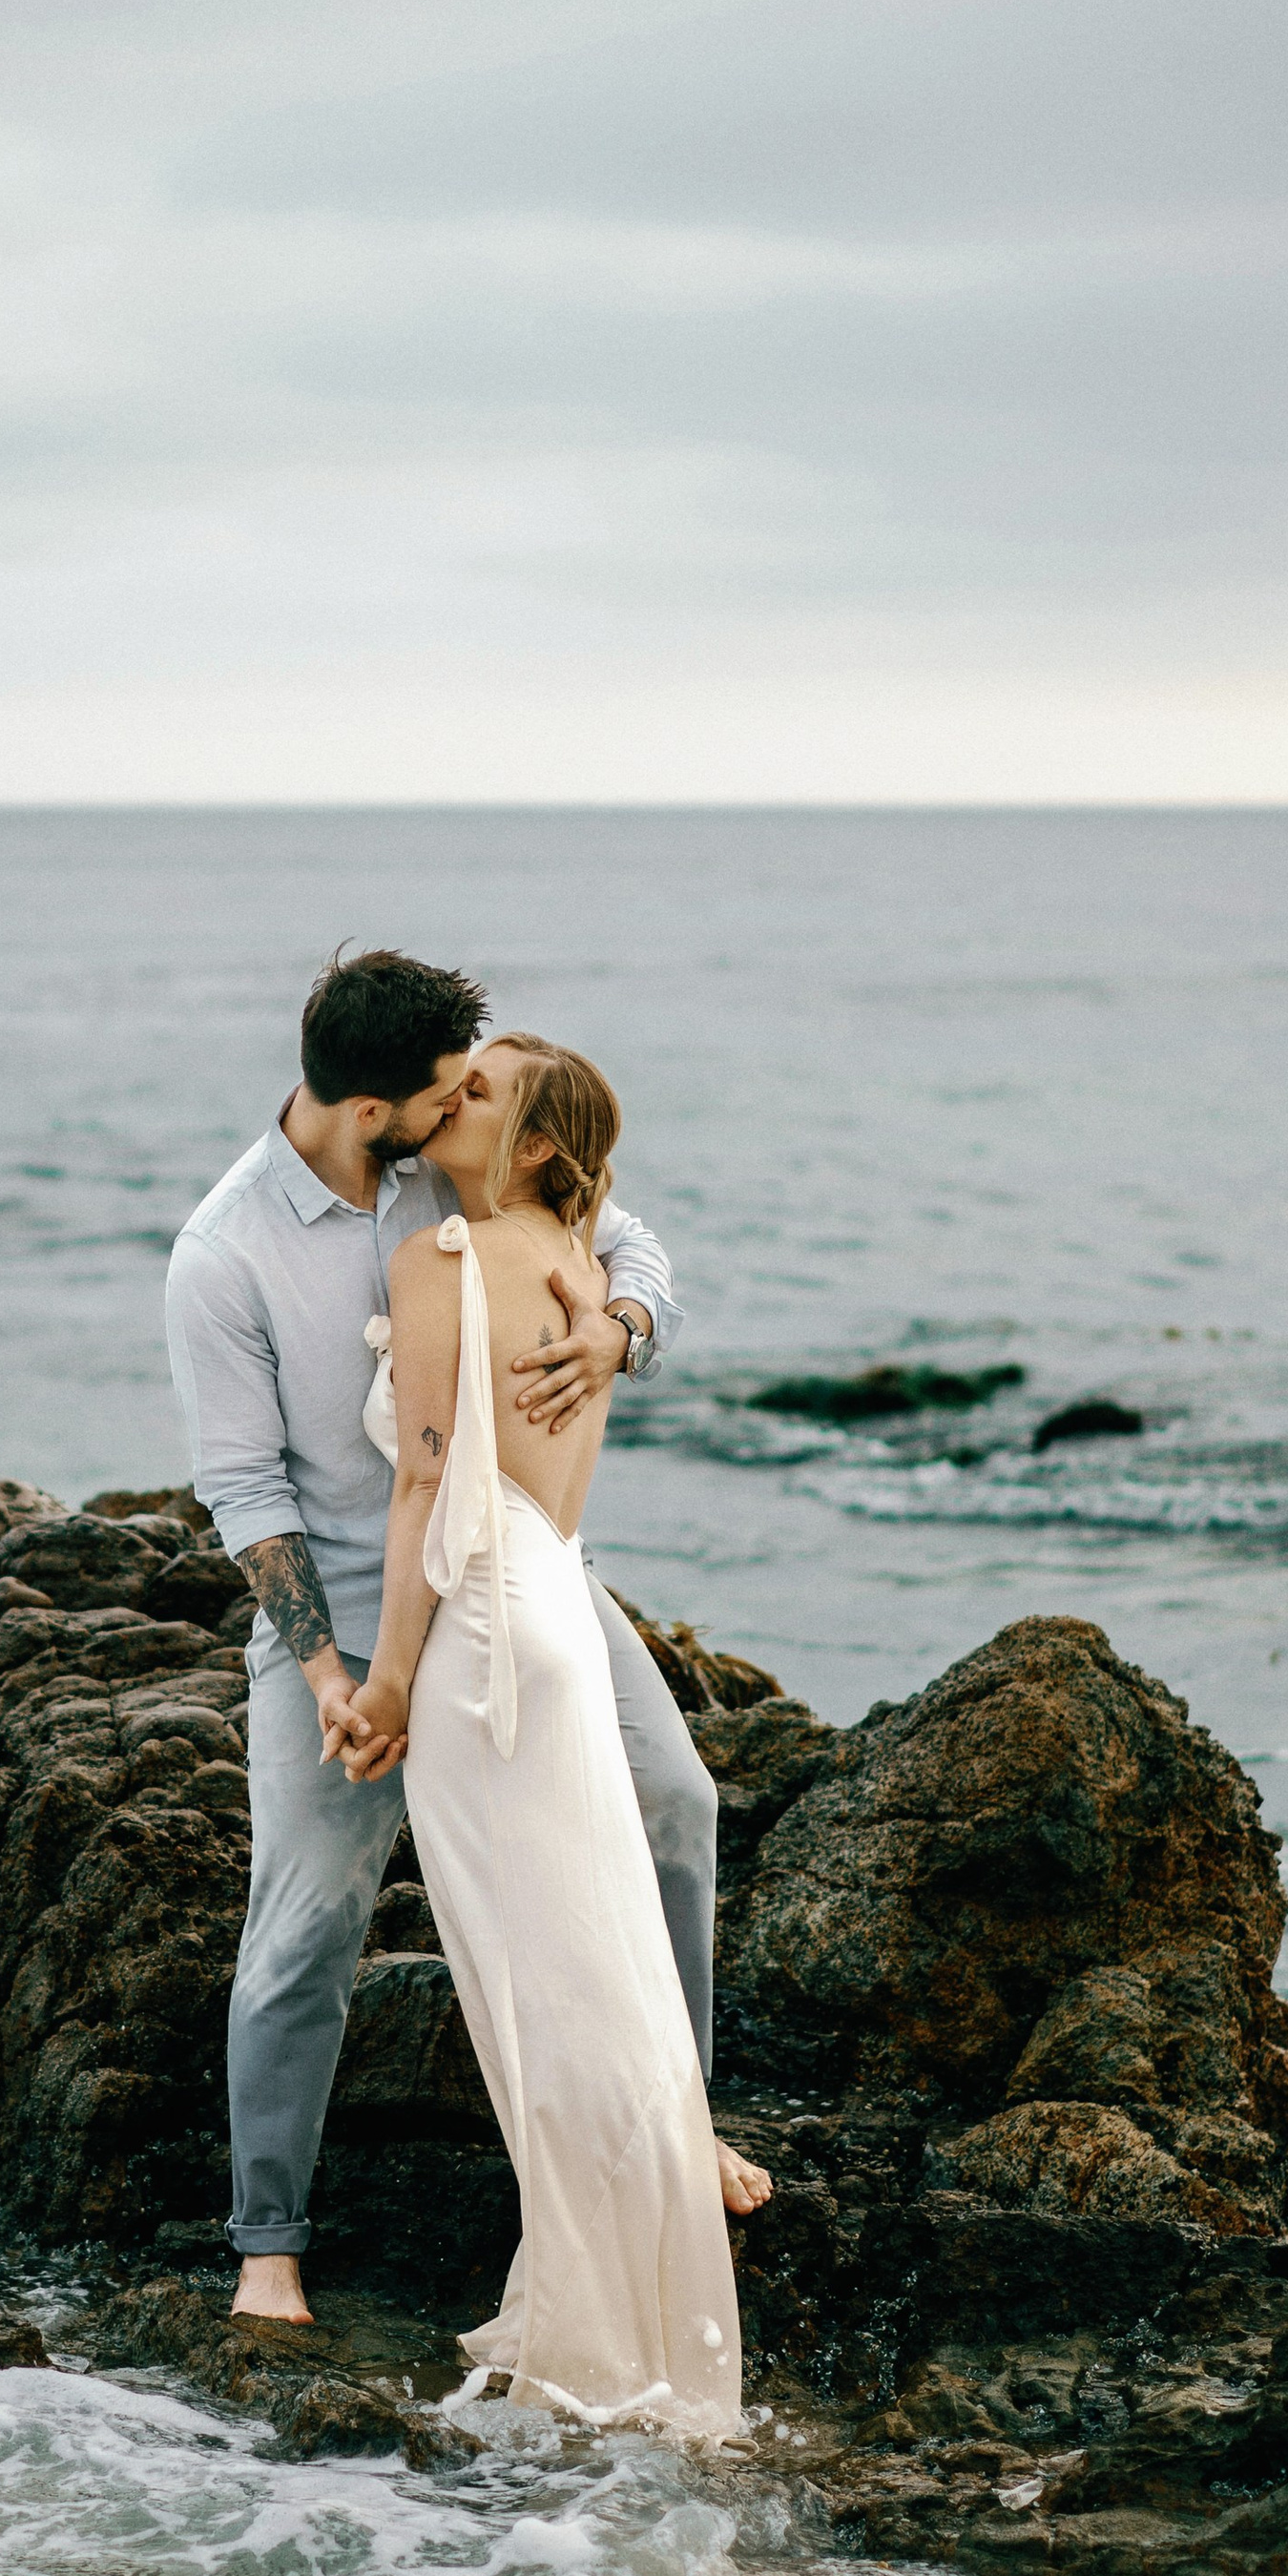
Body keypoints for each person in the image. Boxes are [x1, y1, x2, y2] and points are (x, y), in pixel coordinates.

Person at [164, 947, 741, 2329]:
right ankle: (268, 2244)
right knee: (307, 1920)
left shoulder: (455, 1163)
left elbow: (627, 1232)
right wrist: (330, 1675)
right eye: (439, 1091)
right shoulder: (224, 1254)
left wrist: (620, 1329)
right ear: (376, 1110)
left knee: (678, 1803)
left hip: (522, 1576)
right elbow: (246, 1493)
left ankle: (679, 2126)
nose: (457, 1105)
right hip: (354, 1619)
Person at [336, 1036, 769, 2426]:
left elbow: (422, 1488)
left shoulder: (445, 1264)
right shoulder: (577, 1269)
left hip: (481, 1634)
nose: (456, 1095)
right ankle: (630, 2266)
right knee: (602, 1959)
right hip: (558, 1610)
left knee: (532, 1981)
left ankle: (588, 2320)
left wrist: (388, 1677)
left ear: (530, 1144)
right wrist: (623, 1322)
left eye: (486, 1091)